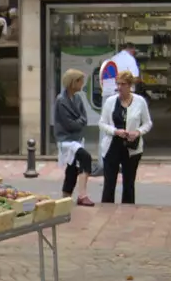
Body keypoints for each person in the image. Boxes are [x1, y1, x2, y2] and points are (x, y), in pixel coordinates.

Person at [97, 72, 151, 205]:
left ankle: (127, 214)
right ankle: (107, 211)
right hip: (112, 146)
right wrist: (115, 131)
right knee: (109, 184)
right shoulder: (110, 101)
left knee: (129, 184)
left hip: (131, 148)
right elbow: (102, 123)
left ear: (130, 85)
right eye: (118, 84)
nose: (119, 87)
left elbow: (147, 123)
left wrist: (138, 132)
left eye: (123, 84)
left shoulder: (139, 101)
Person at [53, 68, 96, 207]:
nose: (82, 84)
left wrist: (79, 122)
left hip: (76, 138)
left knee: (72, 168)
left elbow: (84, 117)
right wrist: (79, 122)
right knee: (85, 157)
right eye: (80, 81)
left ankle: (65, 197)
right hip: (65, 140)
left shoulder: (77, 98)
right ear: (74, 82)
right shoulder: (61, 100)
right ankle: (82, 195)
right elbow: (69, 123)